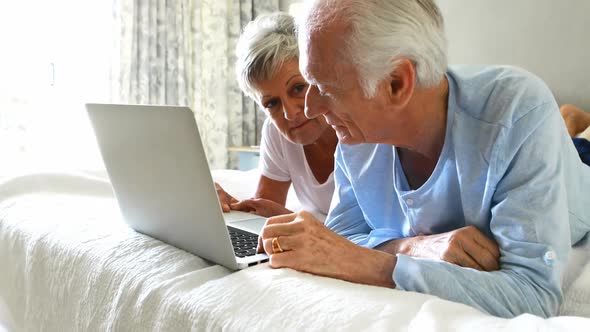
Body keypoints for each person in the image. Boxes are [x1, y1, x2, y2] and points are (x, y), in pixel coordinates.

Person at [256, 0, 590, 319]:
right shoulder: (356, 136)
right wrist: (412, 247)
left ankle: (573, 127)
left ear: (397, 83)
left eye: (325, 87)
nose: (311, 109)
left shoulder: (516, 111)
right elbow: (341, 238)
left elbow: (531, 293)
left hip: (575, 179)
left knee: (577, 147)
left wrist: (375, 265)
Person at [215, 12, 338, 221]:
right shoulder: (275, 132)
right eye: (271, 103)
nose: (290, 113)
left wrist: (300, 225)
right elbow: (264, 212)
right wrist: (229, 207)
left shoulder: (358, 126)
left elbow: (378, 234)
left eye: (298, 88)